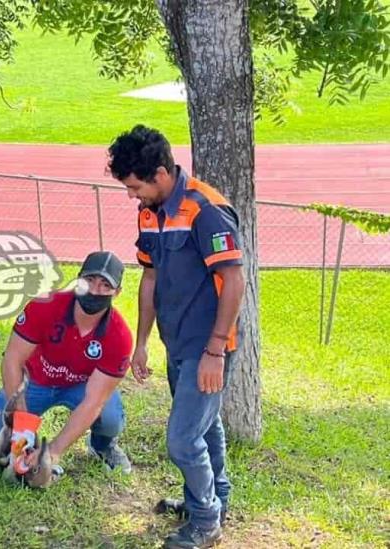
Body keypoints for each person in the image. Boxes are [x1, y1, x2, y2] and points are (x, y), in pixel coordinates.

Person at [107, 125, 246, 549]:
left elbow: (234, 280)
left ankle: (206, 522)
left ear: (162, 173)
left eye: (135, 187)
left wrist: (215, 351)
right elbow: (150, 277)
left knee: (183, 439)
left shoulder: (206, 210)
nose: (132, 196)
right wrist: (143, 340)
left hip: (209, 348)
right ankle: (213, 499)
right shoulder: (150, 212)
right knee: (205, 428)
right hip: (177, 344)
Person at [0, 251, 134, 475]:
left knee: (110, 418)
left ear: (117, 292)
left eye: (105, 285)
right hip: (36, 380)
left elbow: (93, 402)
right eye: (89, 280)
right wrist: (21, 424)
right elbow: (12, 359)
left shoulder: (120, 336)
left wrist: (53, 452)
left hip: (81, 387)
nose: (95, 290)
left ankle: (103, 446)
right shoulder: (44, 304)